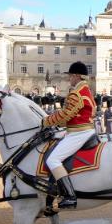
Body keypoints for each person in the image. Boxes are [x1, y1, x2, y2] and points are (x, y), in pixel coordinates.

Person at [41, 61, 96, 209]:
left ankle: (69, 195)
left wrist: (46, 121)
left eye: (71, 75)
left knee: (53, 160)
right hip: (79, 129)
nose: (69, 78)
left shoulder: (77, 93)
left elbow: (66, 114)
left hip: (79, 132)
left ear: (77, 76)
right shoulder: (85, 89)